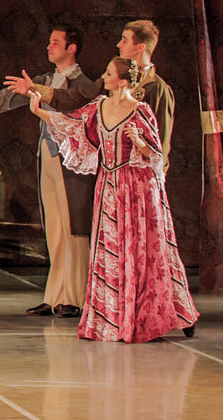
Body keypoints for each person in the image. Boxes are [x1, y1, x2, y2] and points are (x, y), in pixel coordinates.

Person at [27, 58, 198, 343]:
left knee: (144, 252)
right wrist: (39, 112)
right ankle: (112, 319)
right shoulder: (99, 107)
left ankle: (177, 315)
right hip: (108, 187)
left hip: (139, 191)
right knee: (111, 251)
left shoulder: (141, 111)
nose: (104, 77)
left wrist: (139, 141)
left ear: (122, 82)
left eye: (109, 74)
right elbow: (71, 123)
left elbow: (155, 155)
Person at [0, 25, 92, 317]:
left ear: (71, 48)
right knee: (55, 228)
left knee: (72, 228)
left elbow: (75, 115)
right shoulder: (44, 80)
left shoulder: (84, 85)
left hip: (71, 162)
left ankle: (75, 297)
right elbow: (4, 98)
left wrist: (36, 91)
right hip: (48, 157)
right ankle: (55, 295)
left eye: (56, 42)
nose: (49, 46)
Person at [25, 21, 174, 171]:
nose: (118, 45)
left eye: (124, 41)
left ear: (140, 47)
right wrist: (35, 90)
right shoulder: (113, 77)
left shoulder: (157, 88)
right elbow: (80, 98)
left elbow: (160, 145)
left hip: (138, 174)